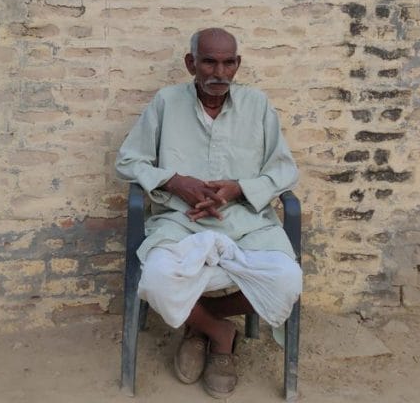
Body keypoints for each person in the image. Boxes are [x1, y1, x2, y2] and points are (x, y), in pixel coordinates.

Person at [115, 27, 302, 399]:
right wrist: (174, 181)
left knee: (286, 281)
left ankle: (201, 320)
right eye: (209, 61)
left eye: (228, 62)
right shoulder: (167, 102)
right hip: (180, 223)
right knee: (155, 280)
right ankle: (219, 334)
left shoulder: (258, 105)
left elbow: (284, 170)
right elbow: (128, 160)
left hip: (247, 223)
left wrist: (239, 189)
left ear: (237, 65)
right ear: (191, 64)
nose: (219, 72)